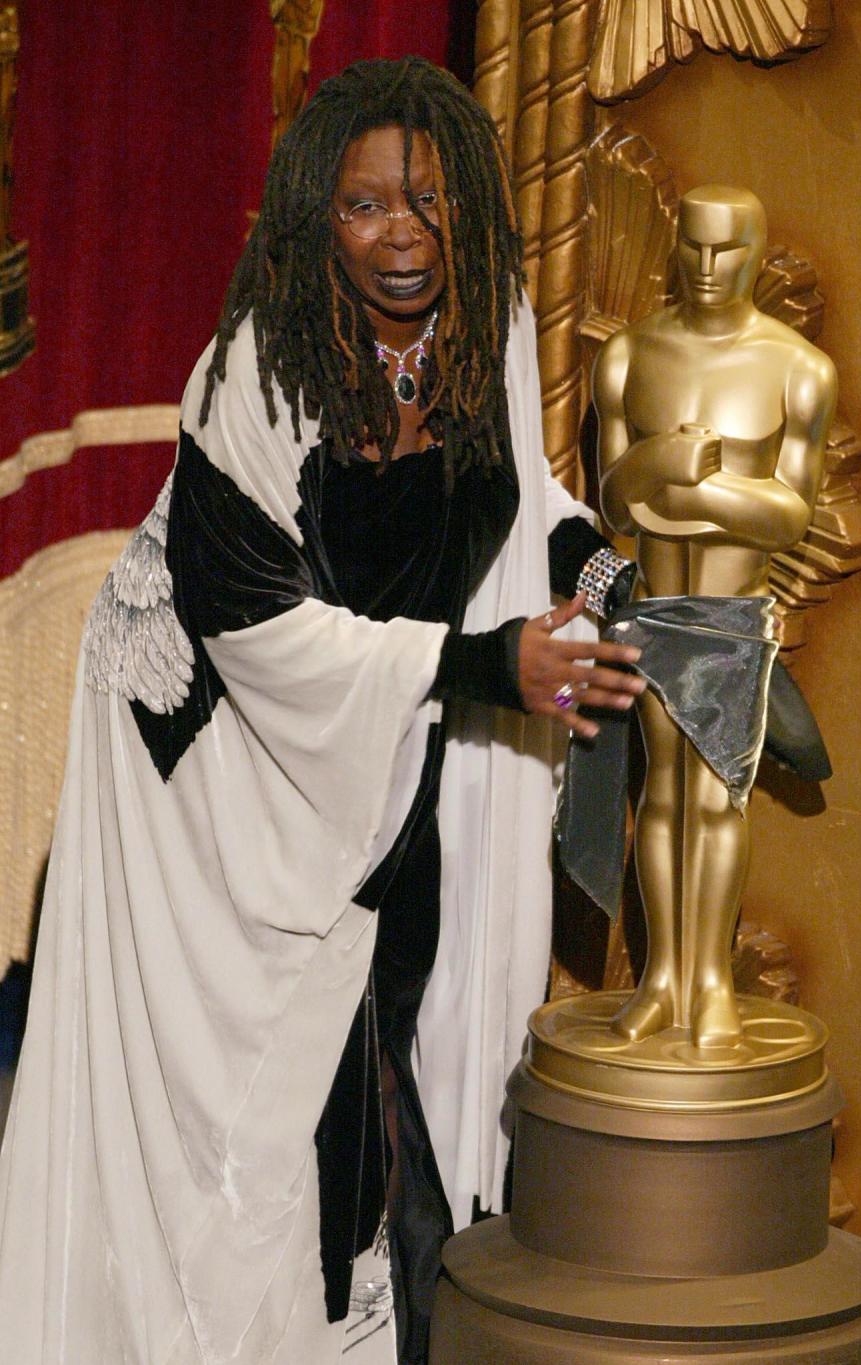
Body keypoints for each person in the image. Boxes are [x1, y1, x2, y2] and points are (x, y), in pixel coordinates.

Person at [0, 57, 643, 1365]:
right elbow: (250, 631)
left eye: (427, 199)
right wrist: (484, 667)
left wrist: (601, 573)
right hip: (216, 817)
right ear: (311, 218)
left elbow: (520, 500)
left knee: (400, 1148)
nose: (401, 231)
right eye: (361, 206)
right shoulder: (260, 366)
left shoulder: (492, 324)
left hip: (392, 791)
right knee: (282, 1164)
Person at [594, 184, 837, 1050]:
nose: (704, 268)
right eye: (691, 248)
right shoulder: (628, 355)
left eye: (724, 251)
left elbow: (793, 513)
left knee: (719, 797)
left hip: (733, 614)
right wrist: (658, 457)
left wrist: (702, 487)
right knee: (660, 794)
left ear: (754, 251)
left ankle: (709, 980)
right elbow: (615, 501)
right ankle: (664, 974)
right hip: (657, 607)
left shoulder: (797, 369)